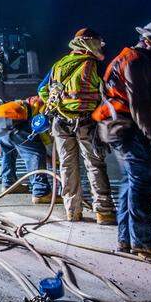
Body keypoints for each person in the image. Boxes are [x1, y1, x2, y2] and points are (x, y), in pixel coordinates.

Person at [94, 20, 151, 258]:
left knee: (130, 185)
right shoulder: (136, 61)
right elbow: (138, 103)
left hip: (116, 128)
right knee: (143, 184)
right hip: (128, 129)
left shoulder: (123, 57)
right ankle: (143, 241)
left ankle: (126, 240)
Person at [38, 28, 116, 223]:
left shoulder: (59, 65)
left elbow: (42, 89)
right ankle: (104, 211)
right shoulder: (94, 65)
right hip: (86, 122)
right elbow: (107, 93)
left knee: (67, 167)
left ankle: (72, 211)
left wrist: (57, 106)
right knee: (95, 165)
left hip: (60, 122)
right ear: (89, 43)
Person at [0, 96, 53, 202]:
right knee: (35, 152)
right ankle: (41, 192)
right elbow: (40, 128)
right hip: (9, 119)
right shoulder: (41, 104)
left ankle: (9, 184)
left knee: (8, 152)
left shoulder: (21, 103)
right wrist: (50, 154)